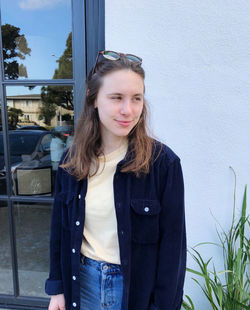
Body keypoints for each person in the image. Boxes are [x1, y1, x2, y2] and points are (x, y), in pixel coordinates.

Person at [45, 51, 186, 310]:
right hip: (82, 282)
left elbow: (172, 251)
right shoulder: (72, 160)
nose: (127, 110)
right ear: (94, 99)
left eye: (136, 99)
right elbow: (60, 231)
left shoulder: (163, 164)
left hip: (134, 290)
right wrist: (58, 290)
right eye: (116, 98)